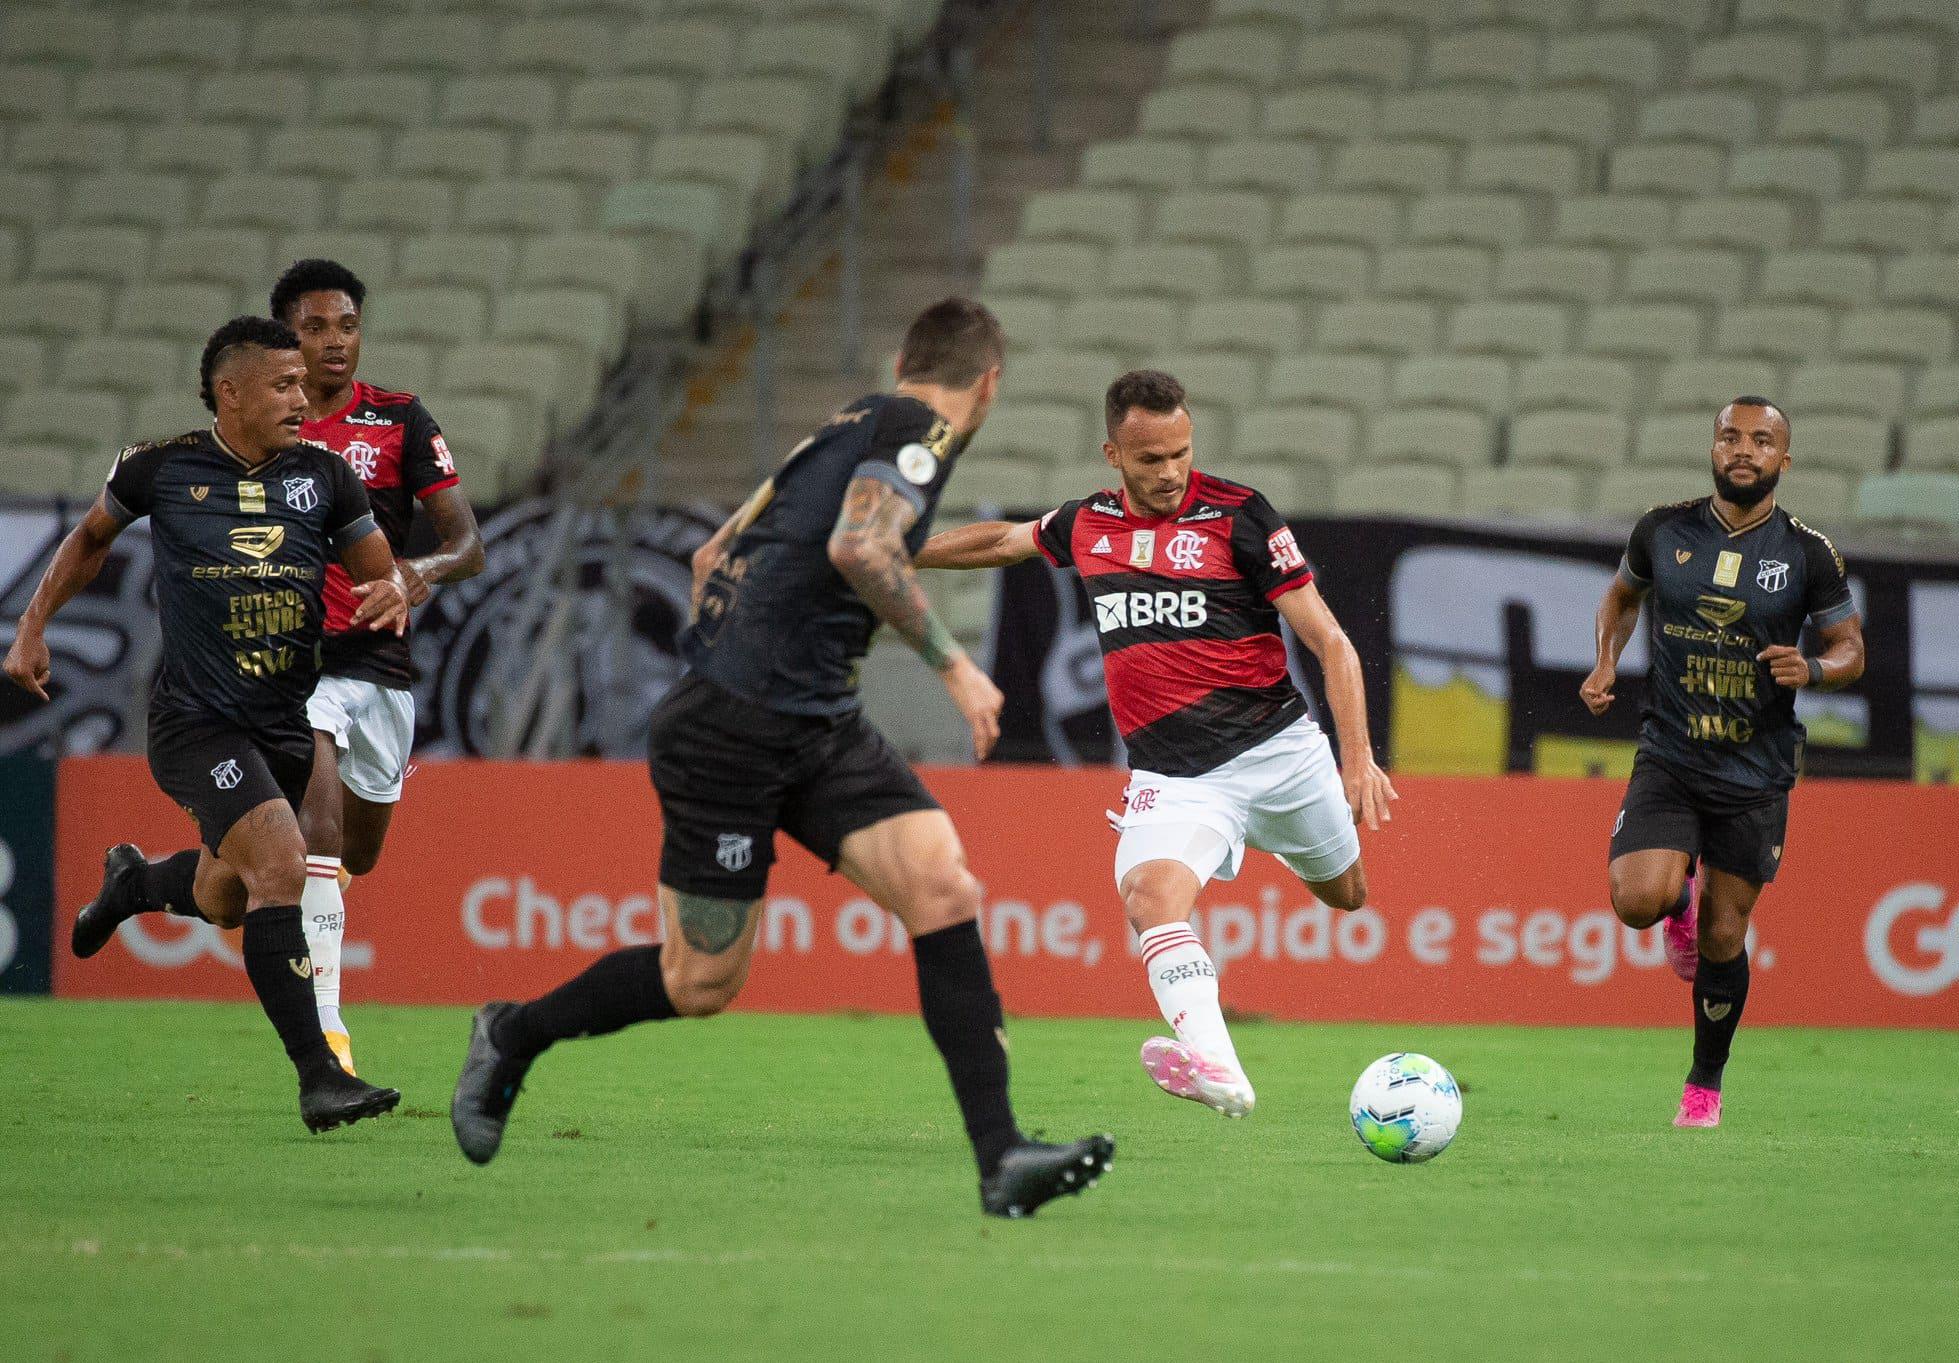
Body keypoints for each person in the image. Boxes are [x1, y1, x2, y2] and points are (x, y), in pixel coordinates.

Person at [450, 298, 1114, 1218]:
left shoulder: (847, 422)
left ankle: (1001, 1157)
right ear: (990, 381)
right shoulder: (919, 432)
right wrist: (957, 669)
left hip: (815, 719)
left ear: (902, 356)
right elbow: (859, 544)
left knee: (943, 888)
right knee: (700, 982)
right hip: (732, 731)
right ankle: (512, 1033)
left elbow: (716, 550)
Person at [916, 369, 1398, 1119]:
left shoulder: (1239, 515)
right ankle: (1219, 1069)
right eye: (1149, 459)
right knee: (1147, 899)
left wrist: (1357, 755)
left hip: (1279, 754)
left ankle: (1287, 847)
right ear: (1112, 454)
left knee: (1347, 894)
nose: (1169, 472)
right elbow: (1003, 541)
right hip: (1177, 778)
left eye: (1179, 452)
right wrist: (899, 552)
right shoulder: (1087, 524)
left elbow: (1331, 641)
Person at [3, 316, 413, 1131]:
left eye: (303, 384)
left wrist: (393, 590)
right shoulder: (162, 468)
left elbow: (379, 572)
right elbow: (89, 541)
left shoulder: (326, 479)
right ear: (230, 393)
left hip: (283, 722)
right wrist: (32, 626)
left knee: (227, 898)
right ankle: (320, 1076)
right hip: (196, 722)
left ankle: (134, 883)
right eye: (283, 385)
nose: (303, 398)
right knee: (284, 871)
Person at [1580, 397, 1864, 1129]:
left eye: (1761, 441)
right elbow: (1619, 596)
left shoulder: (1807, 553)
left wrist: (1816, 670)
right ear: (1711, 447)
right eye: (1730, 437)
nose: (1743, 450)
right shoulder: (1662, 529)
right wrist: (1604, 663)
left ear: (1783, 460)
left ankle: (1703, 1084)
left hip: (1755, 770)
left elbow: (1850, 647)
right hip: (1670, 753)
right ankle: (1675, 901)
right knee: (1635, 899)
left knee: (1723, 936)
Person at [272, 258, 484, 1074]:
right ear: (284, 337)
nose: (334, 342)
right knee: (317, 830)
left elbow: (467, 543)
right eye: (315, 327)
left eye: (346, 326)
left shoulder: (398, 420)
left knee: (356, 852)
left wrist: (417, 572)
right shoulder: (269, 430)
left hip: (381, 668)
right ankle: (328, 1036)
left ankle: (147, 885)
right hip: (297, 667)